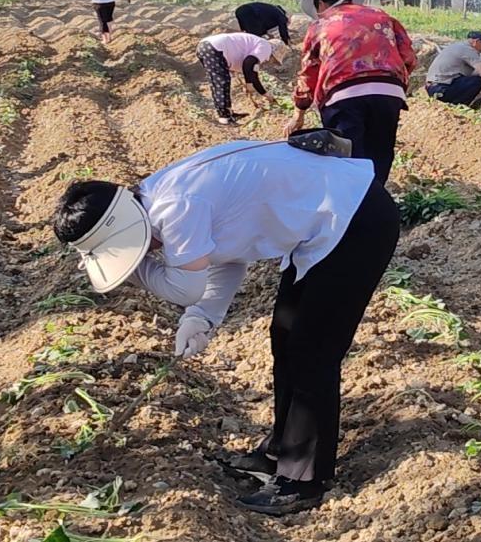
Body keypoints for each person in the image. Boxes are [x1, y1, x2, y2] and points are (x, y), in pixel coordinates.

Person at [51, 139, 400, 515]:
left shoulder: (174, 207)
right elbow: (225, 258)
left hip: (354, 222)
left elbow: (185, 285)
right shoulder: (155, 198)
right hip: (333, 221)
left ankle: (303, 480)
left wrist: (138, 273)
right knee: (285, 338)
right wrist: (202, 318)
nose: (145, 255)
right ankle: (280, 452)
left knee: (312, 352)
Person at [284, 0, 416, 185]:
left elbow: (309, 71)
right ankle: (375, 203)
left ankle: (352, 209)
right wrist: (395, 82)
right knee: (379, 154)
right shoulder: (382, 16)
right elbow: (408, 57)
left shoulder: (320, 25)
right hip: (389, 93)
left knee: (348, 158)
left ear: (321, 3)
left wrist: (299, 111)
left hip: (343, 95)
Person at [197, 32, 288, 124]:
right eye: (274, 60)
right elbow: (248, 63)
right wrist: (248, 84)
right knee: (221, 82)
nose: (271, 62)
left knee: (219, 82)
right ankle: (225, 117)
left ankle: (227, 113)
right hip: (214, 48)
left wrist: (266, 94)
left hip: (207, 47)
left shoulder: (257, 48)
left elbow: (253, 76)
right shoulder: (266, 47)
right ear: (274, 52)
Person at [424, 31, 481, 107]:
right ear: (476, 42)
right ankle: (458, 106)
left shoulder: (457, 46)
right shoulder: (468, 50)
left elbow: (472, 73)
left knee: (473, 79)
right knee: (477, 81)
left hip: (433, 88)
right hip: (441, 89)